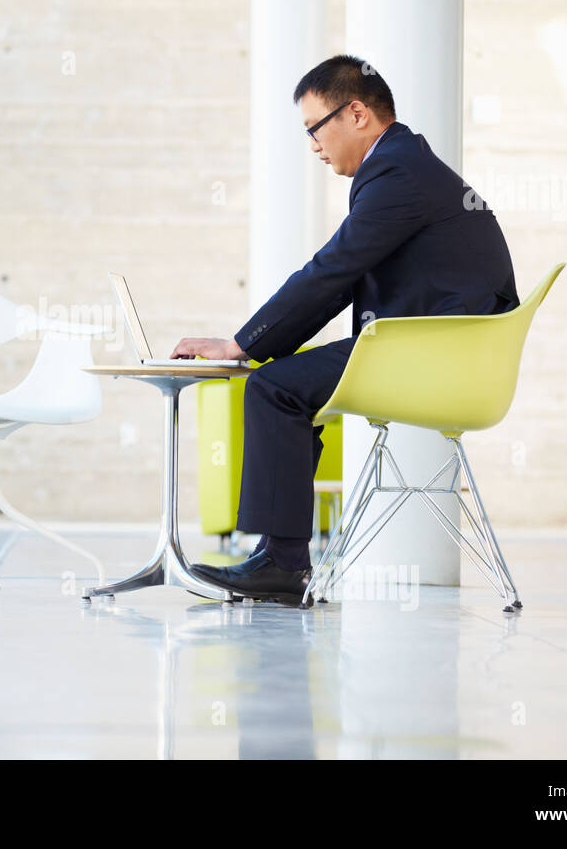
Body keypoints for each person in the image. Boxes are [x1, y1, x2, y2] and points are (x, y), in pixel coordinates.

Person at [169, 54, 520, 606]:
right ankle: (279, 561)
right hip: (444, 351)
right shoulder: (404, 165)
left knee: (274, 387)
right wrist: (256, 349)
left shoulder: (398, 172)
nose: (312, 145)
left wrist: (242, 347)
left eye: (314, 128)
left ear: (356, 113)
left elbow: (331, 269)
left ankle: (282, 565)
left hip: (437, 355)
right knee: (280, 381)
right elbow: (339, 279)